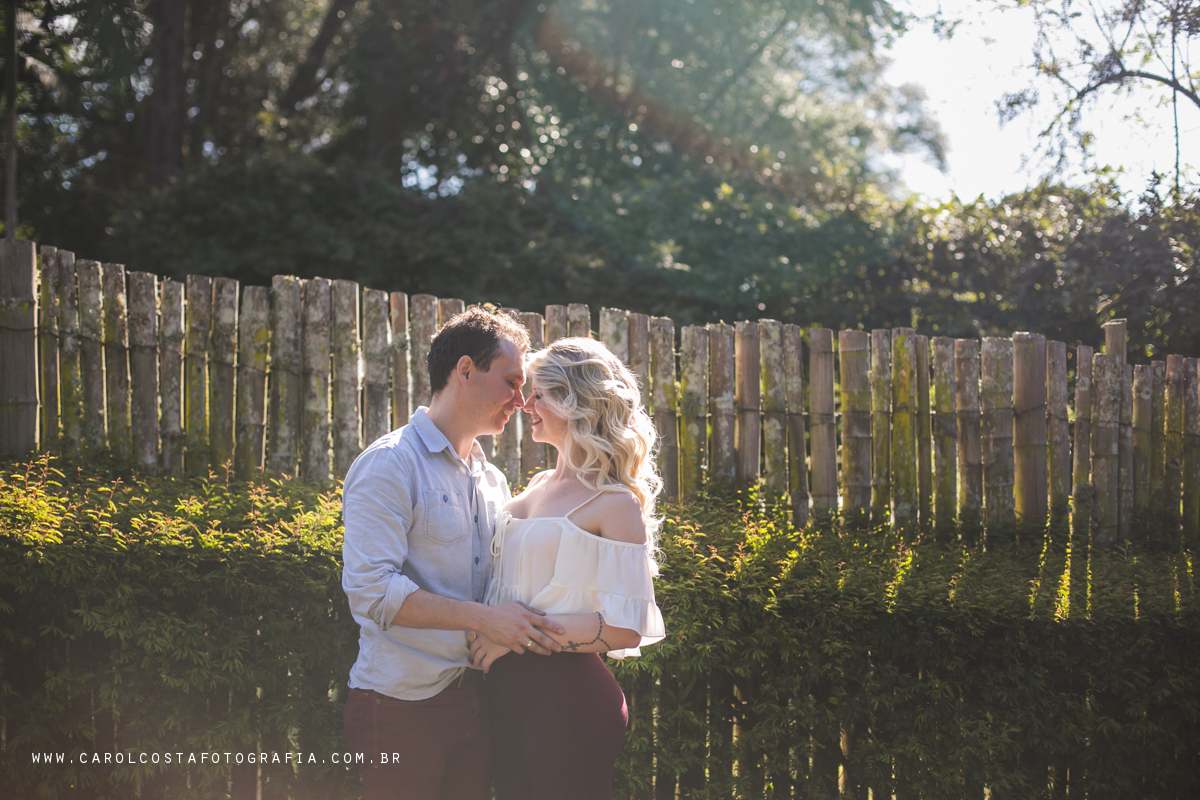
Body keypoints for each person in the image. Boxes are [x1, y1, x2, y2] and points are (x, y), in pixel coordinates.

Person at [340, 307, 566, 800]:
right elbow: (371, 591)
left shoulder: (493, 480)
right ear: (465, 370)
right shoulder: (390, 464)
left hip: (477, 702)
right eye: (511, 382)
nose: (521, 400)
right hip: (399, 706)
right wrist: (488, 620)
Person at [469, 336, 667, 800]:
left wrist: (512, 635)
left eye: (540, 394)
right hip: (506, 694)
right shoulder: (537, 484)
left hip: (568, 702)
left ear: (576, 403)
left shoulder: (614, 502)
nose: (525, 404)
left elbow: (626, 627)